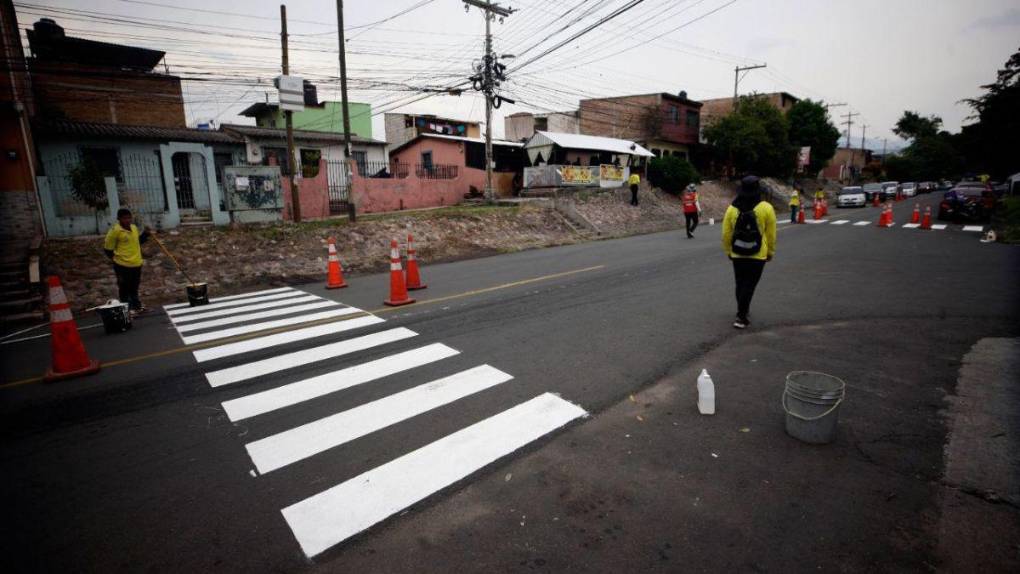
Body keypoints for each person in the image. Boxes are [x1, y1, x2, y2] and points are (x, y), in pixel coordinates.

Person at [721, 175, 776, 329]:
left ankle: (742, 310)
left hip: (737, 252)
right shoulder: (766, 207)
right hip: (758, 255)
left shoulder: (732, 208)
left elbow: (726, 233)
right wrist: (770, 251)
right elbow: (771, 234)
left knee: (740, 283)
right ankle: (741, 316)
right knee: (750, 284)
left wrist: (728, 250)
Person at [103, 208, 151, 316]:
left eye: (129, 218)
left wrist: (146, 234)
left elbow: (137, 242)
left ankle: (137, 306)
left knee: (134, 287)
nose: (128, 220)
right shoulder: (115, 231)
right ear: (119, 219)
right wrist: (117, 260)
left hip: (136, 263)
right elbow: (107, 249)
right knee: (124, 288)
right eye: (125, 218)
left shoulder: (134, 228)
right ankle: (128, 309)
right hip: (122, 265)